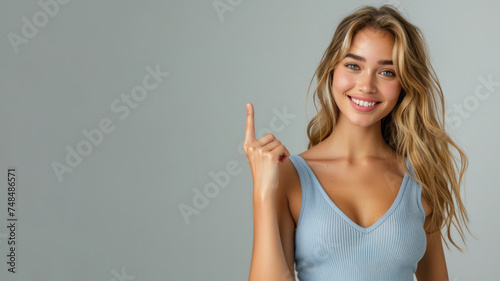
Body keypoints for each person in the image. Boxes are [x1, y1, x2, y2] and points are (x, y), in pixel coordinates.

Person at [244, 4, 473, 281]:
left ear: (405, 85)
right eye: (353, 65)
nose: (366, 85)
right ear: (331, 71)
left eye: (387, 72)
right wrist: (263, 193)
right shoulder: (289, 176)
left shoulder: (421, 176)